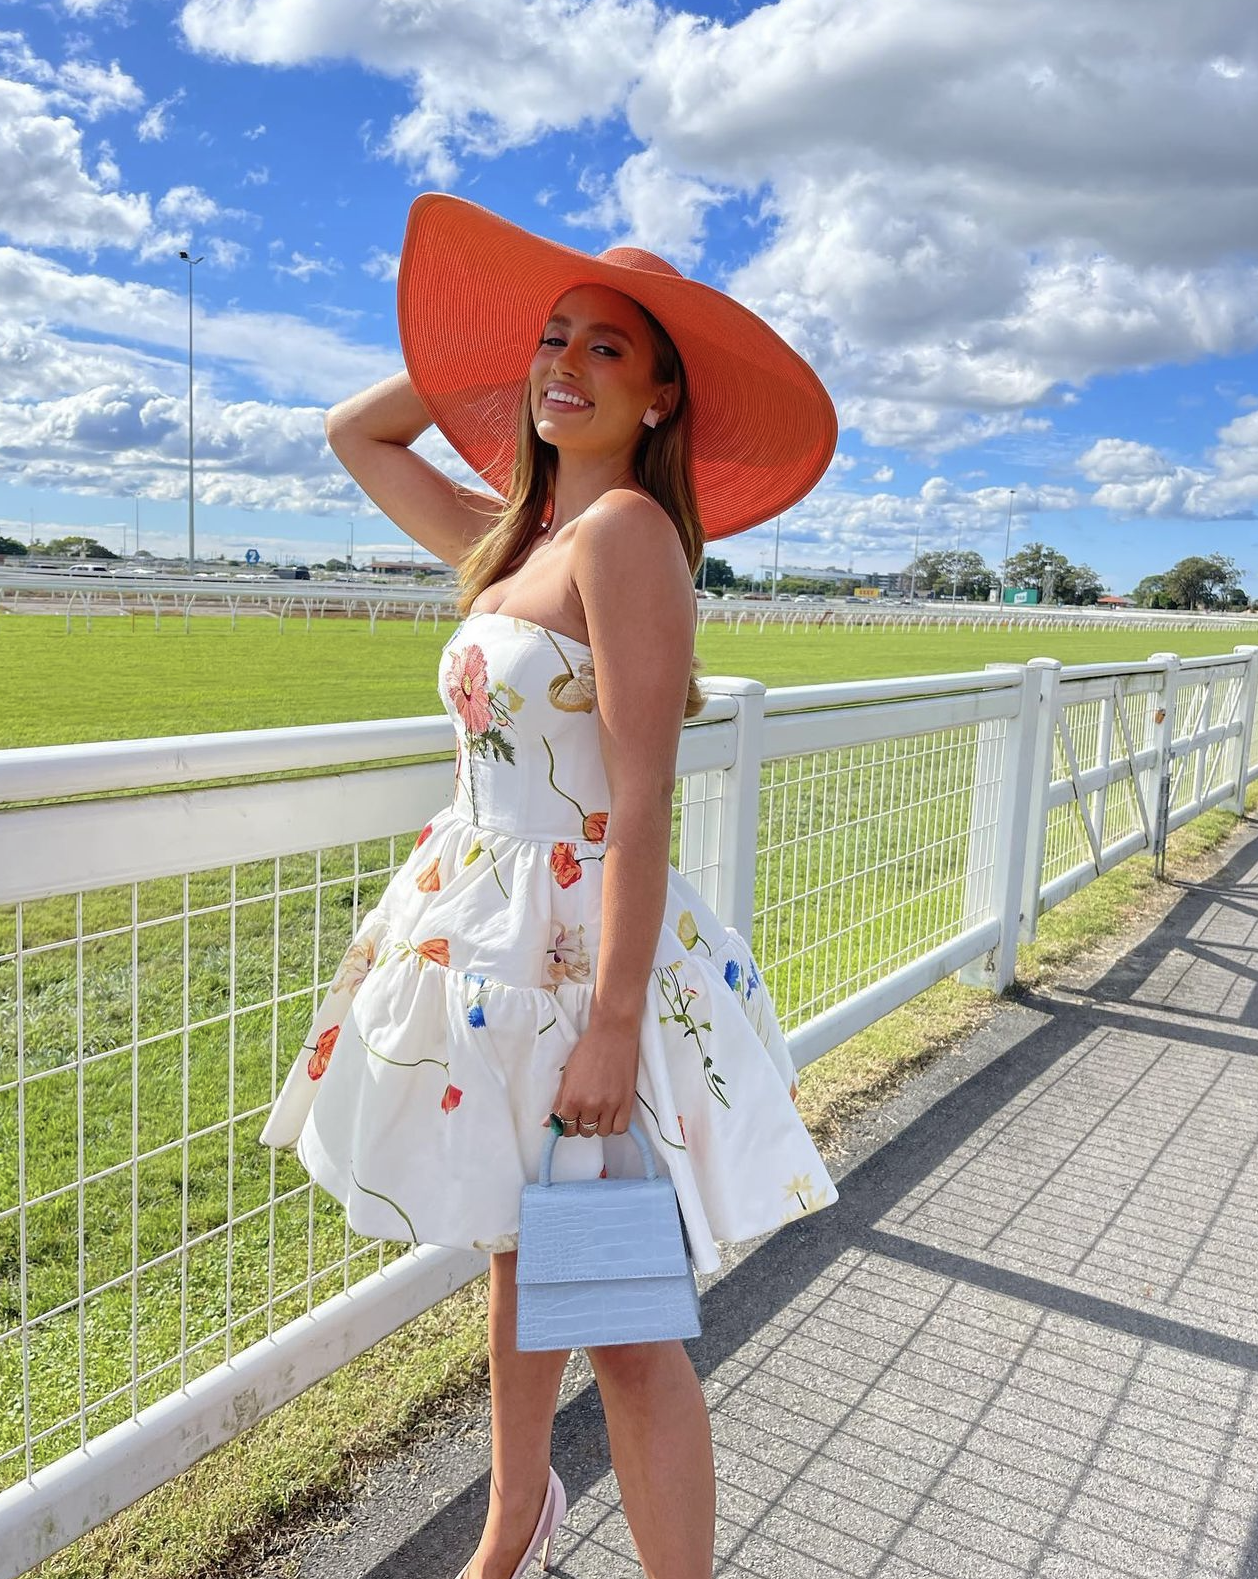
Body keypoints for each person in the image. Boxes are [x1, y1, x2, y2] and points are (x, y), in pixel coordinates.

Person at [259, 193, 840, 1579]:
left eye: (606, 350)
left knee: (627, 1316)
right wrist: (485, 347)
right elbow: (356, 431)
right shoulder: (512, 536)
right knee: (518, 1250)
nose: (565, 366)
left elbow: (642, 796)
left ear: (660, 396)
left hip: (584, 961)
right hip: (487, 943)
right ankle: (512, 1526)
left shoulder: (625, 534)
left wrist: (614, 1022)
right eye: (552, 339)